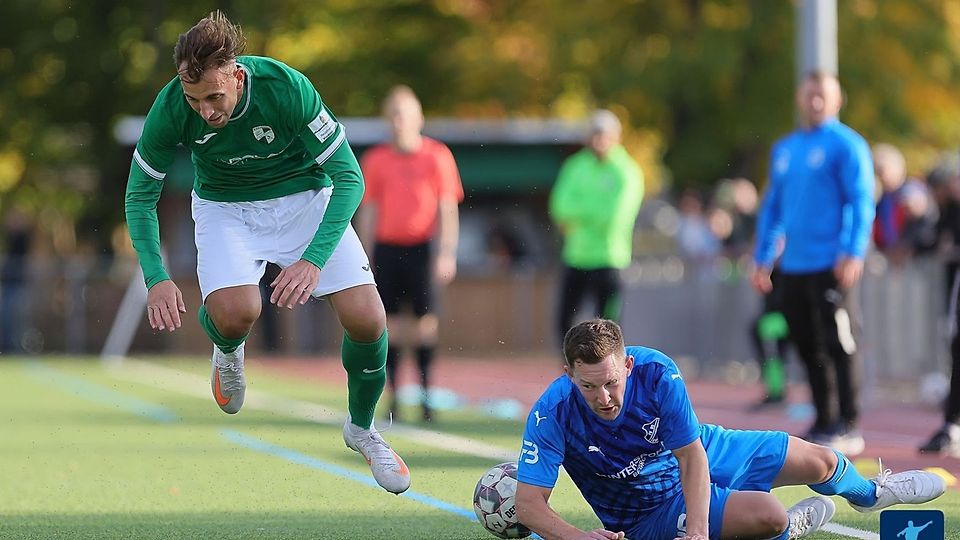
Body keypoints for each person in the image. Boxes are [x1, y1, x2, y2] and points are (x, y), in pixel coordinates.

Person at [123, 11, 409, 494]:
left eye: (215, 97)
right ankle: (228, 349)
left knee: (369, 319)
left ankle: (362, 428)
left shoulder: (285, 87)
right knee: (237, 312)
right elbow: (139, 196)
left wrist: (313, 259)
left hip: (305, 201)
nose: (206, 111)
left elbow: (349, 177)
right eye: (195, 100)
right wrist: (156, 276)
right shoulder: (172, 106)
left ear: (237, 75)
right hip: (225, 208)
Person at [515, 319, 945, 540]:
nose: (603, 397)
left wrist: (698, 532)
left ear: (628, 365)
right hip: (649, 509)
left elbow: (691, 454)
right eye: (589, 386)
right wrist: (578, 537)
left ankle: (870, 495)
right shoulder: (551, 412)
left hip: (699, 451)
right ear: (568, 373)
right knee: (771, 515)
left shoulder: (657, 372)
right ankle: (778, 532)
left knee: (822, 460)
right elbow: (529, 504)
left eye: (611, 383)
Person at [751, 71, 876, 455]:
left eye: (823, 95)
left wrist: (853, 250)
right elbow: (773, 207)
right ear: (800, 98)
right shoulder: (785, 149)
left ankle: (849, 422)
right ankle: (824, 419)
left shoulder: (847, 144)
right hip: (794, 265)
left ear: (837, 99)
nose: (816, 101)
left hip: (831, 263)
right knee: (806, 343)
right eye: (810, 94)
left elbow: (861, 200)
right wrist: (764, 255)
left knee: (839, 341)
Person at [356, 85, 464, 423]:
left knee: (424, 324)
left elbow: (447, 207)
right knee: (389, 325)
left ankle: (427, 395)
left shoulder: (437, 156)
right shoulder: (375, 160)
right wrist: (363, 256)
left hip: (423, 248)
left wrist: (446, 252)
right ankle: (393, 396)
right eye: (394, 115)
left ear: (419, 118)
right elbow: (368, 210)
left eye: (406, 115)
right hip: (388, 250)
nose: (400, 122)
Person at [548, 110, 644, 344]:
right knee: (563, 322)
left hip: (609, 259)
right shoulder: (575, 166)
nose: (599, 140)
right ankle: (573, 371)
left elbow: (617, 215)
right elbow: (559, 207)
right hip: (576, 256)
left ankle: (607, 376)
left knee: (609, 327)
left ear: (616, 137)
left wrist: (580, 212)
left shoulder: (626, 171)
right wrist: (596, 209)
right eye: (595, 134)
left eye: (604, 135)